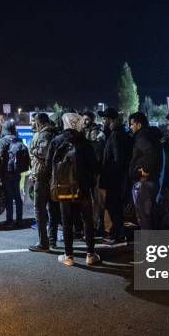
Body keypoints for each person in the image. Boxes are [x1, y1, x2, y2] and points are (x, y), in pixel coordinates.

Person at [46, 113, 100, 266]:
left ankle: (68, 255)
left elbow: (49, 164)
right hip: (82, 188)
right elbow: (95, 166)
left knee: (66, 221)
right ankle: (90, 254)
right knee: (87, 220)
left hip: (62, 188)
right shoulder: (84, 141)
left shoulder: (56, 141)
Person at [100, 107, 132, 245]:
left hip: (115, 179)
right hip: (116, 178)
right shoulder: (118, 133)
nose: (104, 121)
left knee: (114, 207)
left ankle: (118, 234)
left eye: (105, 118)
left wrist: (112, 177)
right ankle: (117, 233)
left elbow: (118, 160)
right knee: (113, 206)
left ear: (111, 119)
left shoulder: (116, 135)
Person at [28, 113, 60, 252]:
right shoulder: (57, 132)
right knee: (53, 210)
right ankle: (52, 240)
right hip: (55, 175)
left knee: (40, 210)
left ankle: (43, 243)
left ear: (39, 123)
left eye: (35, 122)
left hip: (42, 176)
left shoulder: (44, 134)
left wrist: (33, 148)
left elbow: (42, 152)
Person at [128, 112, 163, 230]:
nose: (130, 127)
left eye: (132, 124)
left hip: (144, 182)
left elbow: (151, 153)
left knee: (143, 215)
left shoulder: (142, 137)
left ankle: (148, 245)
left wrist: (145, 171)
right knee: (149, 214)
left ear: (139, 124)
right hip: (150, 181)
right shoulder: (150, 135)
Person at [0, 121, 24, 228]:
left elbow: (0, 159)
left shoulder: (2, 141)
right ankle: (19, 220)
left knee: (8, 197)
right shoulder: (18, 139)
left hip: (6, 172)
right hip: (17, 172)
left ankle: (9, 220)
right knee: (17, 196)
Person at [83, 111, 107, 236]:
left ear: (92, 120)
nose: (84, 122)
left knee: (98, 201)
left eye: (87, 119)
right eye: (83, 119)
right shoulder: (84, 131)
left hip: (96, 172)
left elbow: (96, 153)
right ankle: (91, 226)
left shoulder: (97, 132)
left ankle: (99, 227)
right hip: (88, 172)